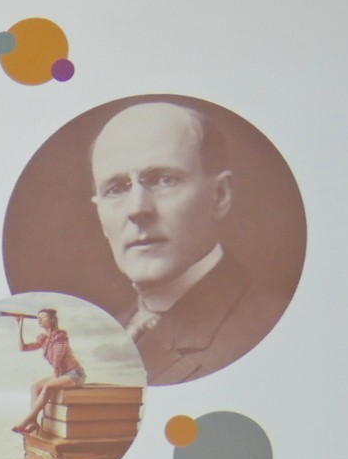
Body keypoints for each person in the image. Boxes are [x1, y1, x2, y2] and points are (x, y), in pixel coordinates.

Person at [88, 100, 290, 385]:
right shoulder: (97, 338)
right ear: (99, 213)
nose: (137, 209)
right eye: (117, 188)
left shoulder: (274, 332)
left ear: (219, 195)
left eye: (163, 180)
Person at [12, 308, 85, 434]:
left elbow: (56, 365)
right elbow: (23, 348)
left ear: (52, 320)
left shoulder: (60, 338)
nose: (39, 319)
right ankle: (33, 422)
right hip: (62, 374)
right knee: (35, 387)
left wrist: (52, 386)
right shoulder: (45, 339)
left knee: (47, 387)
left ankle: (25, 421)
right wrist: (20, 327)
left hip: (75, 374)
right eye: (38, 317)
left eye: (43, 317)